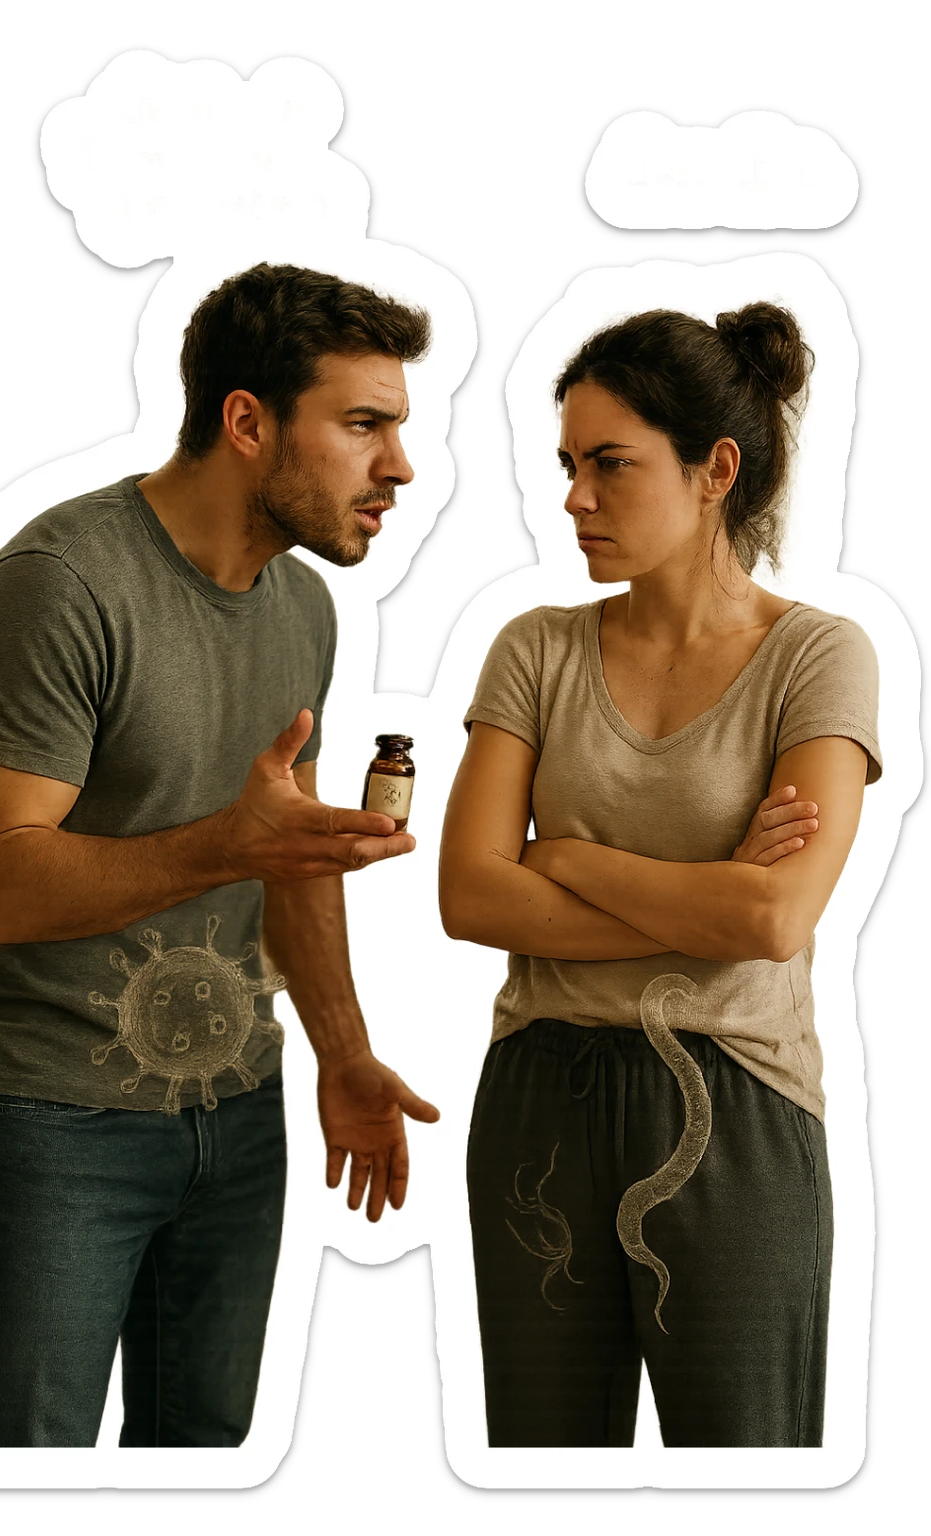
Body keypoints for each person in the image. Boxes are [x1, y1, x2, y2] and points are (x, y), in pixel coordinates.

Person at [0, 262, 440, 1449]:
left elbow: (289, 855)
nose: (400, 468)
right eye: (364, 425)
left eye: (400, 429)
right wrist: (226, 840)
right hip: (49, 1120)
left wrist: (343, 1054)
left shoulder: (302, 608)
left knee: (205, 1459)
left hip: (238, 1123)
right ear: (246, 421)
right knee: (26, 1465)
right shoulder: (60, 582)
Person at [439, 303, 880, 1449]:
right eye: (568, 465)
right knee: (540, 1464)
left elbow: (773, 915)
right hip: (538, 1099)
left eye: (610, 465)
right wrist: (700, 898)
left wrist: (570, 860)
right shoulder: (534, 646)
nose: (574, 496)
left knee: (743, 1463)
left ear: (713, 470)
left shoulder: (818, 656)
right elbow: (471, 897)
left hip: (735, 1104)